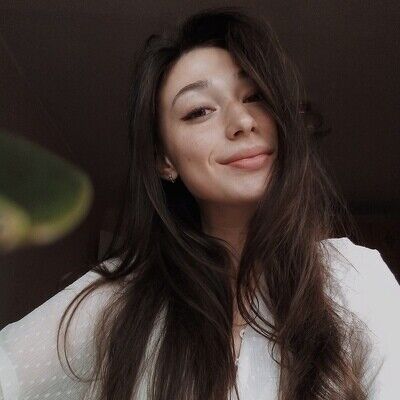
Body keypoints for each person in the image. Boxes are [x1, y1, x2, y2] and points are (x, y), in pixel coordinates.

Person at [0, 6, 399, 400]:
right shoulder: (116, 299)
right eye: (199, 111)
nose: (242, 121)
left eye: (255, 95)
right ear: (164, 160)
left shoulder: (355, 278)